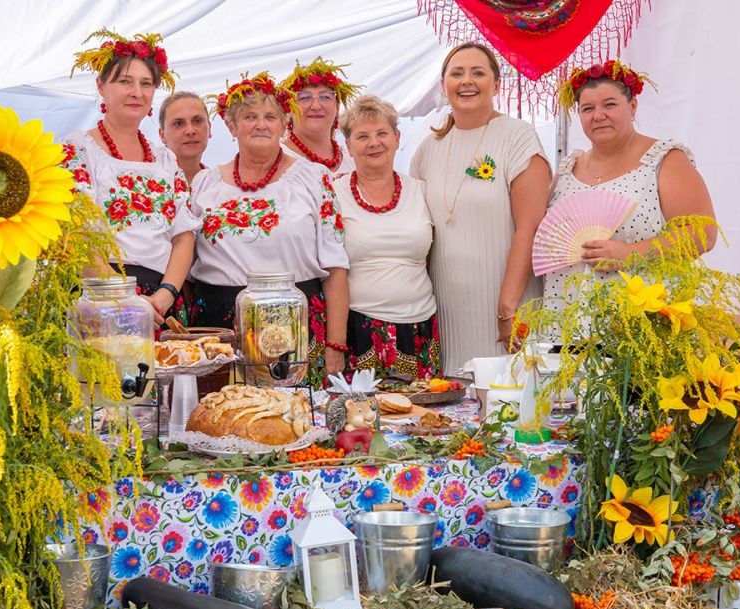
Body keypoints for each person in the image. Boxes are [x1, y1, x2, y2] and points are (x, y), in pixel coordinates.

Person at [187, 72, 350, 382]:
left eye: (270, 117)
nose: (261, 124)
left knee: (294, 411)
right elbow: (186, 260)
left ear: (284, 124)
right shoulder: (205, 183)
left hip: (294, 324)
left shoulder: (313, 178)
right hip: (218, 329)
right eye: (250, 117)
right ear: (231, 126)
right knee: (220, 410)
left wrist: (335, 345)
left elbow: (336, 266)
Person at [410, 42, 551, 373]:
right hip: (447, 308)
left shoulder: (518, 137)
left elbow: (530, 227)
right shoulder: (427, 149)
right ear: (443, 84)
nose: (466, 81)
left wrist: (507, 306)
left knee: (508, 392)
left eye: (478, 73)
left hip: (509, 303)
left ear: (497, 84)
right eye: (457, 73)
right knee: (454, 395)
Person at [543, 60, 717, 309]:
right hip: (564, 314)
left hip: (640, 316)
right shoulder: (568, 169)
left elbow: (703, 234)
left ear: (633, 106)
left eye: (609, 105)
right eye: (587, 108)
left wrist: (629, 253)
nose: (598, 116)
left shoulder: (663, 160)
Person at [61, 30, 199, 325]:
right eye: (125, 81)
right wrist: (126, 298)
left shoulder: (165, 159)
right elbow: (78, 236)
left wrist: (166, 293)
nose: (137, 92)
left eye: (146, 83)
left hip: (160, 305)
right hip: (100, 297)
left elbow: (184, 235)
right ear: (101, 86)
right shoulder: (77, 150)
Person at [334, 95, 440, 380]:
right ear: (348, 146)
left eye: (382, 133)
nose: (374, 143)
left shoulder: (421, 190)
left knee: (422, 406)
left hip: (419, 326)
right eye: (362, 136)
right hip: (358, 328)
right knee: (360, 408)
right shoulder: (333, 194)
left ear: (397, 138)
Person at [280, 57, 361, 176]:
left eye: (325, 97)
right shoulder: (274, 159)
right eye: (304, 98)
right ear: (289, 109)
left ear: (337, 107)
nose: (316, 106)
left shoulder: (355, 159)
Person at [158, 91, 211, 185]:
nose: (190, 131)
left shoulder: (219, 185)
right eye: (178, 123)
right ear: (162, 135)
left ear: (209, 129)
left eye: (197, 121)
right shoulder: (144, 179)